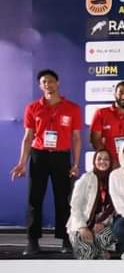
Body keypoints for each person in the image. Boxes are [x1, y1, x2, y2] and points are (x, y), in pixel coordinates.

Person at [11, 69, 82, 255]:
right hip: (39, 156)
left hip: (61, 156)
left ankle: (66, 240)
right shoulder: (33, 108)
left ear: (58, 83)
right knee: (34, 199)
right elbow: (28, 137)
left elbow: (76, 138)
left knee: (64, 199)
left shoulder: (72, 108)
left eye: (51, 81)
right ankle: (32, 241)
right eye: (44, 82)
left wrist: (75, 163)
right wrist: (22, 162)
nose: (48, 85)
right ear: (40, 86)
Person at [67, 149, 116, 260]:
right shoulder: (86, 178)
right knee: (88, 255)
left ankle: (101, 250)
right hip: (81, 225)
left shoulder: (113, 180)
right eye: (99, 159)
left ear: (110, 162)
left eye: (106, 159)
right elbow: (75, 206)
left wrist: (102, 222)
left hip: (102, 225)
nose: (102, 161)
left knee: (103, 256)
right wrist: (82, 227)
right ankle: (92, 250)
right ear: (94, 161)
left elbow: (114, 207)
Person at [90, 81, 124, 163]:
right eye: (121, 92)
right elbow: (95, 139)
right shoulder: (101, 113)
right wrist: (109, 160)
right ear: (115, 94)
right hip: (106, 164)